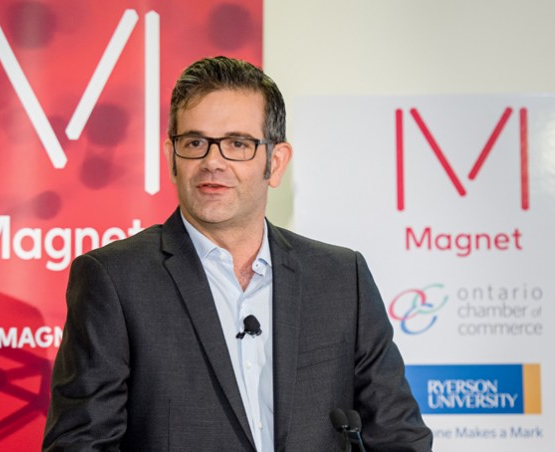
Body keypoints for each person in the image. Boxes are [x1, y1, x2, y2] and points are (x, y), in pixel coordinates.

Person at [43, 56, 433, 451]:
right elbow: (80, 444)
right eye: (195, 143)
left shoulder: (341, 278)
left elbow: (399, 438)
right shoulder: (115, 279)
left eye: (237, 144)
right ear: (172, 158)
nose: (212, 162)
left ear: (275, 163)